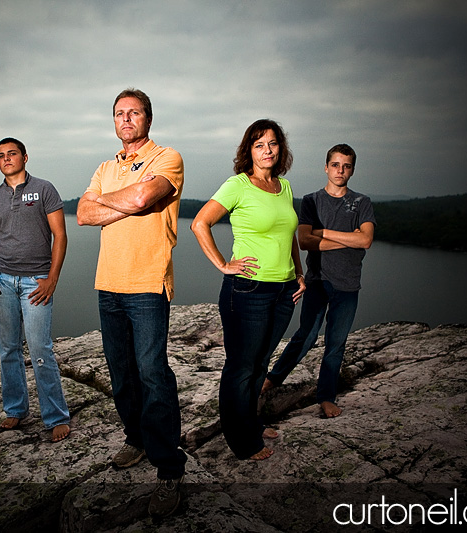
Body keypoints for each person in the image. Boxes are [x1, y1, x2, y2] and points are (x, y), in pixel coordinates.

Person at [76, 88, 186, 518]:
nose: (126, 119)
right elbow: (82, 214)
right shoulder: (106, 166)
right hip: (109, 285)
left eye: (134, 113)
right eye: (119, 113)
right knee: (121, 374)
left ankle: (169, 469)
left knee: (153, 373)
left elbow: (144, 198)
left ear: (148, 119)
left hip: (146, 285)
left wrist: (109, 200)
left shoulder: (166, 157)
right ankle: (136, 439)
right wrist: (116, 200)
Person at [190, 119, 306, 461]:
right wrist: (224, 264)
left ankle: (251, 423)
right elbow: (200, 223)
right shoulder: (238, 185)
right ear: (249, 151)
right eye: (259, 144)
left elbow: (289, 236)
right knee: (241, 367)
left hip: (284, 292)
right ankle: (241, 441)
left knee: (260, 364)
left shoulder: (284, 188)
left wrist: (299, 273)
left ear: (280, 148)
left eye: (272, 143)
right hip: (248, 290)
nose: (267, 150)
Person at [261, 143, 375, 419]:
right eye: (335, 165)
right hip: (317, 280)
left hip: (348, 286)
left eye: (346, 166)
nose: (340, 170)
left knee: (336, 343)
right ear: (326, 167)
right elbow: (304, 241)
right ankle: (273, 379)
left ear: (352, 170)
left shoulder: (361, 203)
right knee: (306, 336)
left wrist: (324, 233)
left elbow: (366, 240)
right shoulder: (311, 200)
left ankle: (326, 397)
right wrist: (349, 240)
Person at [0, 137, 71, 443]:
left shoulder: (44, 189)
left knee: (40, 349)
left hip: (36, 282)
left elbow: (60, 235)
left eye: (12, 153)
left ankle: (56, 416)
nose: (6, 158)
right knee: (8, 350)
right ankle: (15, 409)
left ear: (25, 157)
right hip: (2, 281)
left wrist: (52, 279)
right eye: (1, 155)